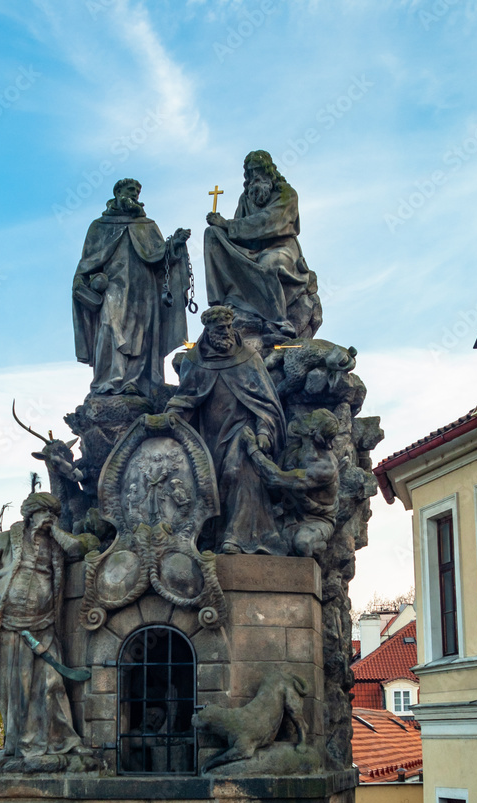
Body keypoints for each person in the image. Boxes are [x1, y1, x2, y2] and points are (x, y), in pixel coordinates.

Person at [0, 492, 88, 771]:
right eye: (45, 512)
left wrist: (56, 529)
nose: (50, 518)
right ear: (31, 513)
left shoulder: (56, 543)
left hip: (44, 623)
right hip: (11, 626)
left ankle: (62, 741)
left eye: (54, 514)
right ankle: (20, 748)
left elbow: (78, 551)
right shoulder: (9, 539)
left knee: (52, 682)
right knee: (17, 688)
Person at [165, 305, 287, 555]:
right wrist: (169, 418)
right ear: (208, 331)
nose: (226, 332)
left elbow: (265, 403)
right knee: (210, 482)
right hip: (208, 436)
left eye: (229, 327)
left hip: (243, 431)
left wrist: (264, 431)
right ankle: (211, 538)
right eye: (220, 329)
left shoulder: (249, 359)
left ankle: (240, 537)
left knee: (236, 470)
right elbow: (185, 399)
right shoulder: (194, 362)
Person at [73, 177, 191, 396]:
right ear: (118, 192)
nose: (135, 194)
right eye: (130, 190)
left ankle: (137, 383)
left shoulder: (146, 226)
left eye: (138, 191)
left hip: (144, 288)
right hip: (113, 286)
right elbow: (87, 261)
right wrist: (83, 281)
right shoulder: (99, 226)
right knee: (109, 325)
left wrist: (175, 244)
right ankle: (109, 380)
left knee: (143, 334)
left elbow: (161, 258)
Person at [204, 150, 321, 338]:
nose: (255, 176)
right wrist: (221, 227)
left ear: (269, 171)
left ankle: (278, 319)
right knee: (212, 234)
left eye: (259, 170)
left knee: (268, 263)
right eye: (251, 173)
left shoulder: (286, 194)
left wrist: (228, 224)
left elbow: (271, 221)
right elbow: (238, 233)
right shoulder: (246, 198)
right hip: (251, 249)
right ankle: (220, 301)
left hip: (281, 248)